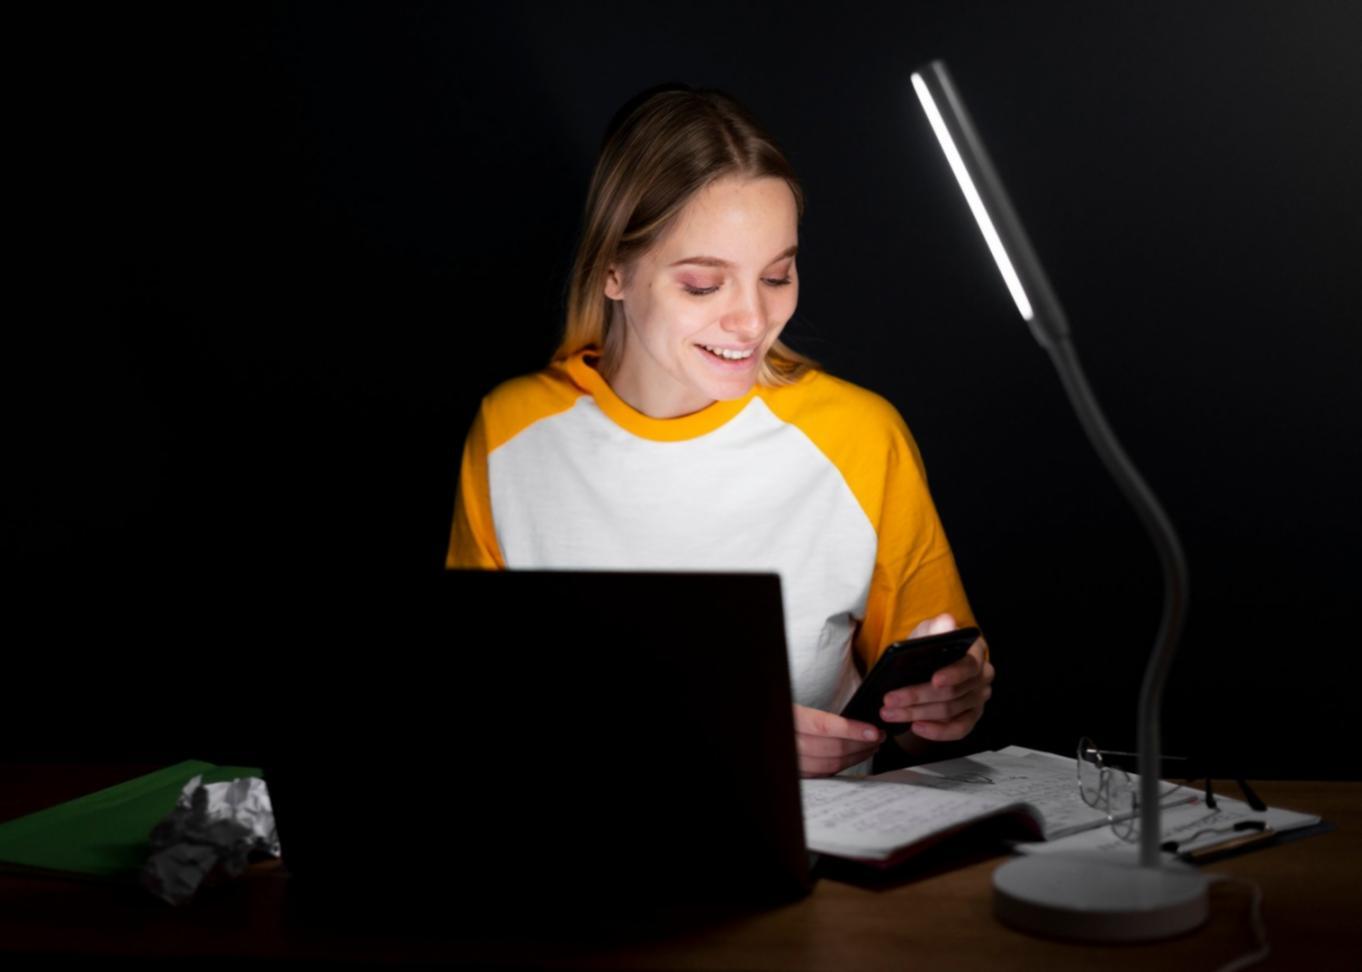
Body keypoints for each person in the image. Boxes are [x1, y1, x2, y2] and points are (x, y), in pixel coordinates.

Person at [446, 83, 994, 777]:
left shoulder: (859, 436)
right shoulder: (511, 435)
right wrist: (724, 736)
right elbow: (473, 713)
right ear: (614, 269)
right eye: (704, 285)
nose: (752, 321)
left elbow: (916, 731)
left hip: (822, 869)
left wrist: (943, 708)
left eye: (777, 276)